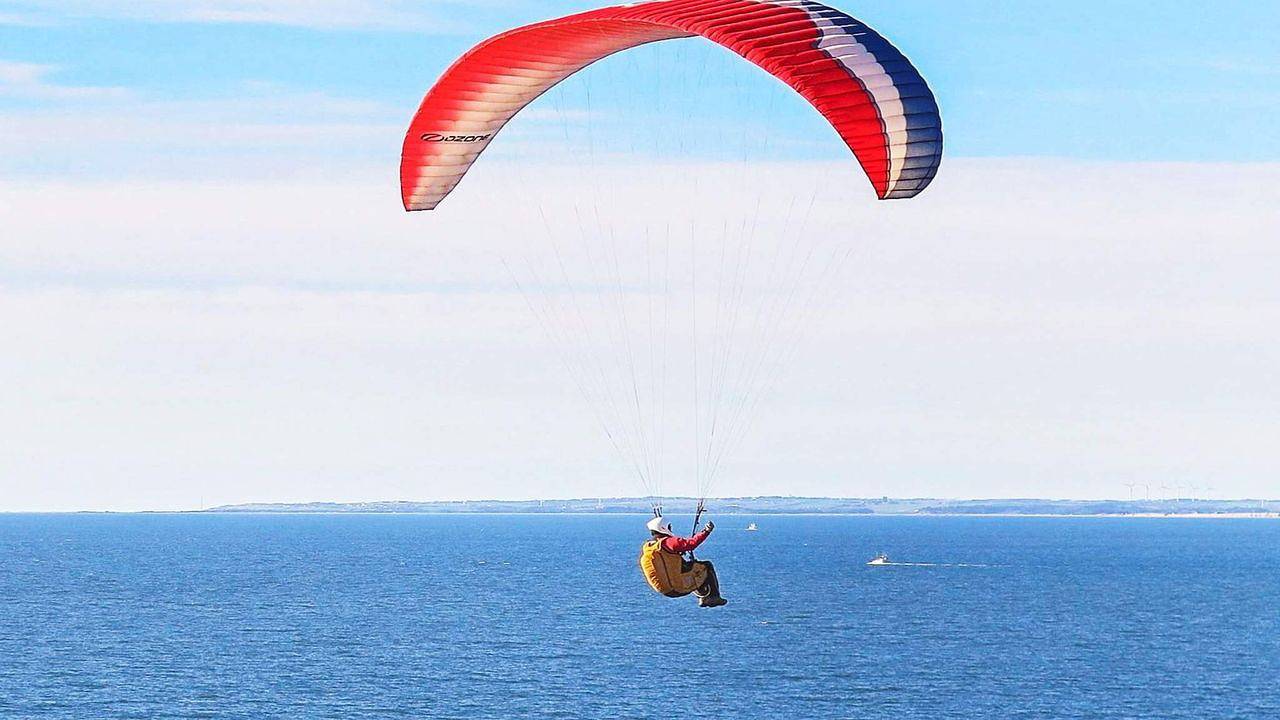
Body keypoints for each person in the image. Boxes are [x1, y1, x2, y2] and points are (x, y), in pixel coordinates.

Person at [638, 515, 727, 607]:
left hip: (666, 589)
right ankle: (712, 597)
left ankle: (704, 596)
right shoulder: (668, 542)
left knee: (691, 565)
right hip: (677, 587)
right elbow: (691, 544)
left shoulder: (650, 546)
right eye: (669, 527)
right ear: (664, 528)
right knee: (706, 566)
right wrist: (706, 531)